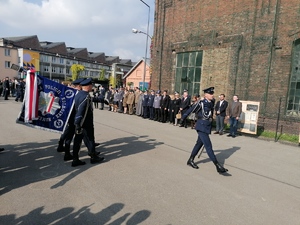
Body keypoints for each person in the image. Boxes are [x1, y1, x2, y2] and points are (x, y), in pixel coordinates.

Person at [181, 87, 228, 174]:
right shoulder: (201, 103)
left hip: (207, 126)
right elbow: (191, 109)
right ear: (205, 95)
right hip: (201, 126)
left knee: (199, 144)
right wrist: (183, 118)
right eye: (210, 94)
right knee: (208, 146)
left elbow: (212, 105)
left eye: (212, 93)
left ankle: (190, 160)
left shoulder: (211, 102)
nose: (212, 95)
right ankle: (217, 166)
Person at [72, 78, 104, 167]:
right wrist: (78, 123)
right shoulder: (85, 96)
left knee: (77, 141)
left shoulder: (80, 94)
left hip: (80, 123)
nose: (92, 87)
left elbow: (91, 100)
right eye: (91, 86)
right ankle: (93, 157)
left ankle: (75, 159)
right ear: (88, 86)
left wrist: (100, 99)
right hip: (84, 123)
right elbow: (81, 111)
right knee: (90, 139)